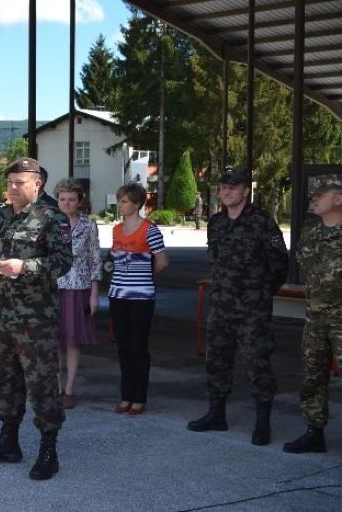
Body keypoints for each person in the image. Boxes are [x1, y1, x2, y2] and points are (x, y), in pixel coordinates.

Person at [0, 157, 72, 481]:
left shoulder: (52, 217)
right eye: (10, 183)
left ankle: (48, 450)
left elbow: (63, 261)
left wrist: (25, 267)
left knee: (41, 385)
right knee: (0, 381)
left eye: (20, 183)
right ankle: (8, 441)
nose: (12, 188)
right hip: (2, 318)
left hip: (36, 321)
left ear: (37, 184)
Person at [187, 167, 288, 445]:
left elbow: (280, 264)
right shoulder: (217, 223)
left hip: (252, 310)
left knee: (257, 364)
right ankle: (216, 414)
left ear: (246, 190)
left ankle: (262, 423)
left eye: (233, 186)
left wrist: (259, 293)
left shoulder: (261, 222)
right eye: (223, 186)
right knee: (216, 362)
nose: (226, 191)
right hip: (221, 306)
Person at [284, 175, 342, 454]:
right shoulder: (310, 233)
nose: (314, 198)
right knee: (313, 377)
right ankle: (314, 432)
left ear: (339, 199)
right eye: (313, 194)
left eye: (321, 194)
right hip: (316, 319)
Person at [108, 182, 168, 416]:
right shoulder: (116, 230)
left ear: (136, 204)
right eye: (119, 200)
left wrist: (142, 276)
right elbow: (113, 259)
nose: (119, 205)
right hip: (117, 295)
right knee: (123, 346)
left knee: (138, 347)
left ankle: (139, 397)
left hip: (141, 298)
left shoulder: (149, 230)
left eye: (124, 201)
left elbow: (162, 262)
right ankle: (126, 395)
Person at [54, 178, 102, 409]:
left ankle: (70, 388)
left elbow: (95, 260)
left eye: (71, 199)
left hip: (78, 288)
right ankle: (55, 387)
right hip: (53, 288)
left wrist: (94, 293)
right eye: (62, 199)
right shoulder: (50, 223)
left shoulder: (89, 225)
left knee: (73, 341)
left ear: (80, 201)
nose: (66, 203)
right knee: (54, 340)